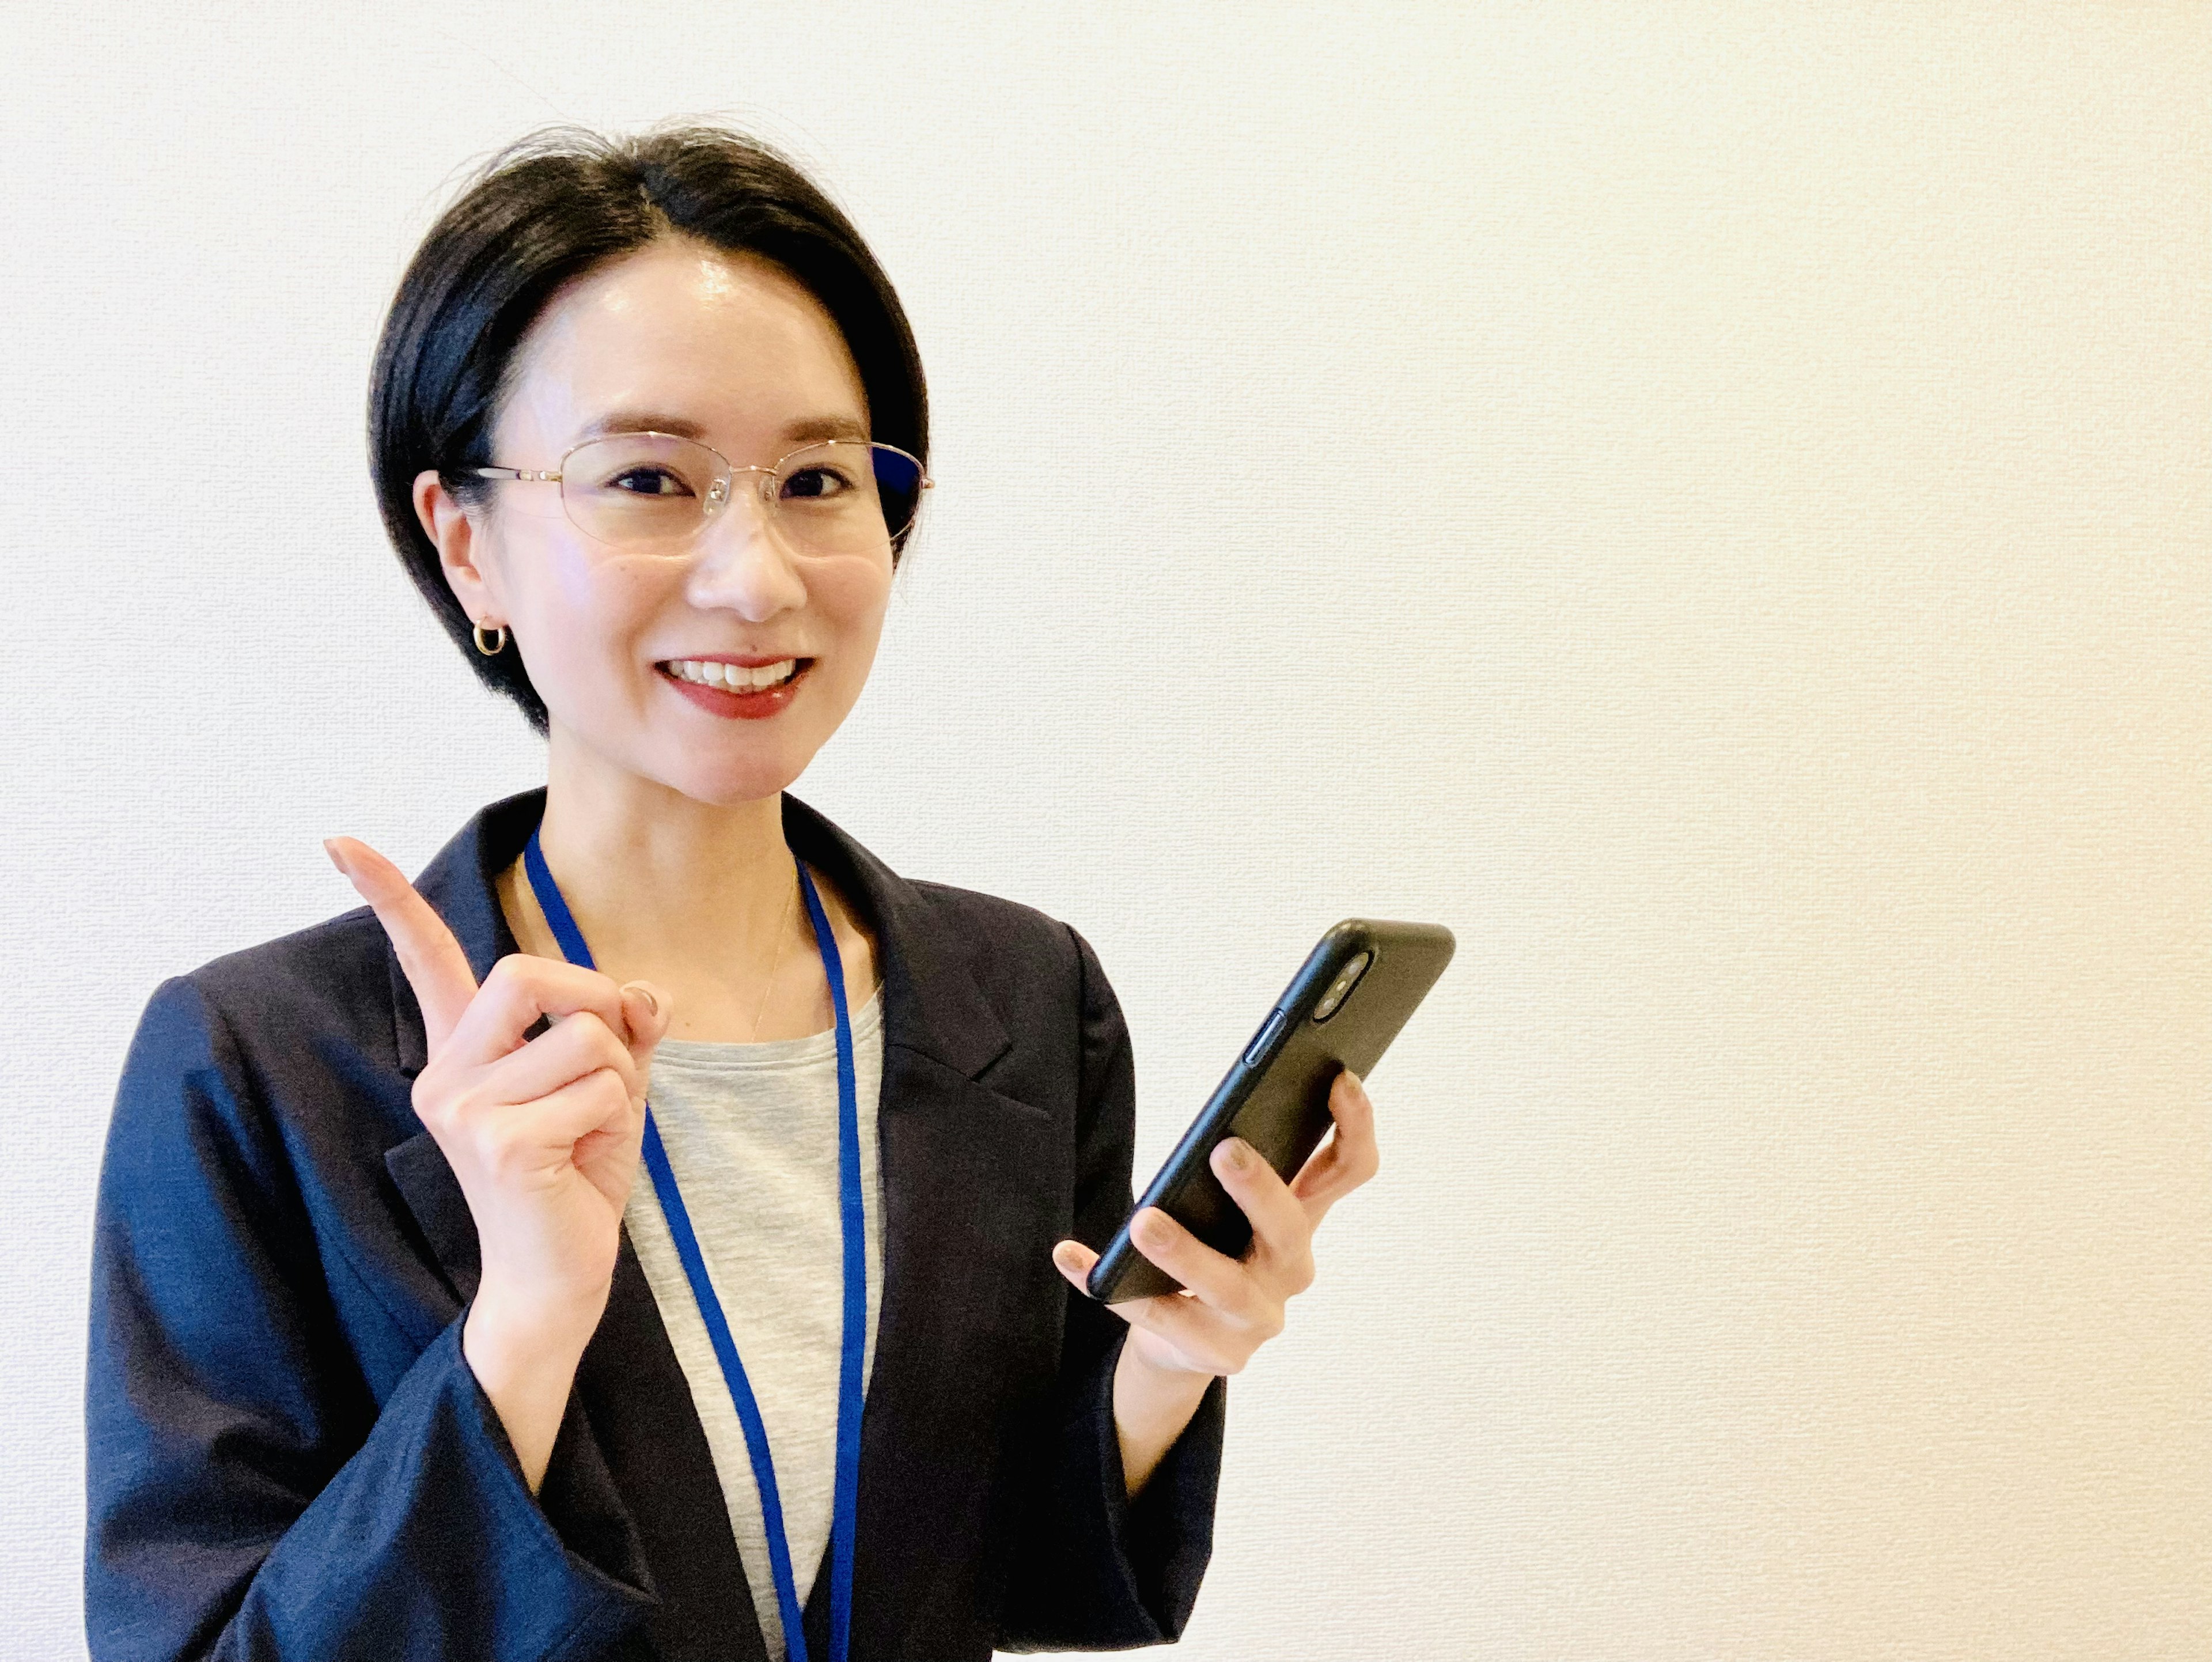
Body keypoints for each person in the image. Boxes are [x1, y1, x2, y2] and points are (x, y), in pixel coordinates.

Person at [83, 123, 1381, 1662]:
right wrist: (523, 1331)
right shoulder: (258, 1065)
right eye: (648, 477)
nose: (757, 578)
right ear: (466, 542)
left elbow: (1020, 1576)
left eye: (820, 478)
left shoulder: (1021, 1001)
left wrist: (1173, 1360)